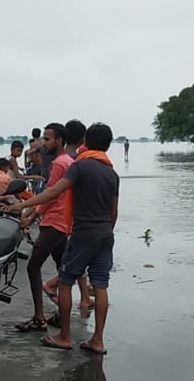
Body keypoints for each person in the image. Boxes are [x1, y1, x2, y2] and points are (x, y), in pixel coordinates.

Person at [9, 122, 119, 354]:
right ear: (108, 146)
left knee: (66, 281)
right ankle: (97, 340)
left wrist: (21, 206)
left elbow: (52, 192)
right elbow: (113, 211)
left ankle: (65, 336)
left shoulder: (80, 167)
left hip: (83, 232)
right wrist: (107, 231)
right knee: (100, 285)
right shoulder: (112, 172)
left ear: (86, 141)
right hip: (105, 234)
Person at [14, 122, 70, 333]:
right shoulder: (68, 161)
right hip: (63, 222)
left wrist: (27, 213)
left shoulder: (59, 164)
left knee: (33, 267)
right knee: (64, 270)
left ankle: (39, 318)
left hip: (53, 222)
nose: (43, 143)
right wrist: (31, 215)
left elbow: (50, 196)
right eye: (43, 138)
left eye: (48, 139)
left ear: (59, 140)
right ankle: (62, 316)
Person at [42, 120, 93, 315]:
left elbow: (50, 191)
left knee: (71, 258)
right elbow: (53, 193)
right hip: (68, 218)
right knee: (74, 260)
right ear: (82, 138)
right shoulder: (73, 160)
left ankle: (83, 298)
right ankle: (54, 288)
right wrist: (33, 213)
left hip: (64, 218)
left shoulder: (64, 158)